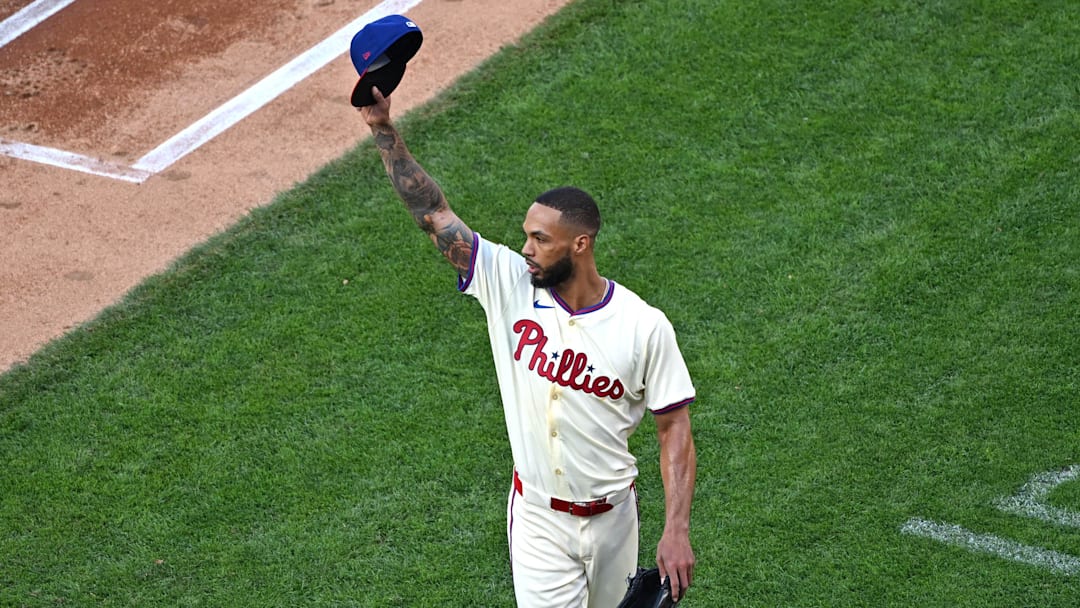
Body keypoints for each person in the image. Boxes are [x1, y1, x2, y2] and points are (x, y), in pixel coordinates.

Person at [359, 86, 697, 607]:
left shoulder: (642, 325)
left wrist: (676, 528)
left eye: (541, 239)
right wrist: (383, 128)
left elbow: (673, 426)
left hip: (614, 523)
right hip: (539, 518)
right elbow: (432, 213)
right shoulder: (508, 282)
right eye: (526, 235)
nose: (526, 249)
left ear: (580, 245)